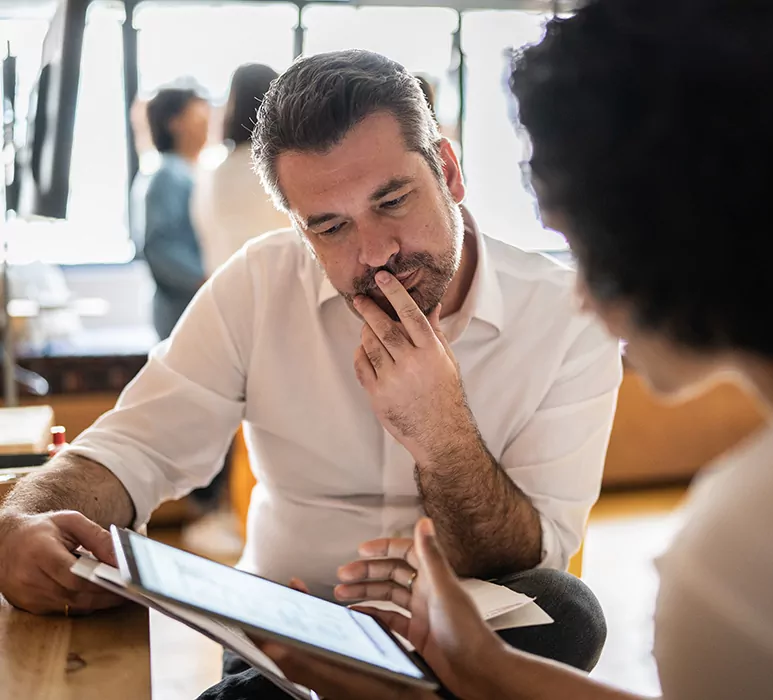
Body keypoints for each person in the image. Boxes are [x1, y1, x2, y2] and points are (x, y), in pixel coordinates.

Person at [0, 49, 621, 698]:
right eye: (330, 226)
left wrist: (441, 434)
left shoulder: (568, 317)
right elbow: (131, 449)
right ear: (299, 226)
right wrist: (22, 521)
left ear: (448, 169)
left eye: (393, 200)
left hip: (463, 637)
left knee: (566, 610)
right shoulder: (259, 284)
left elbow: (532, 560)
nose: (376, 254)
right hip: (288, 635)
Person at [253, 2, 773, 699]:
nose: (584, 299)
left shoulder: (736, 569)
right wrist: (486, 670)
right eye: (329, 225)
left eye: (584, 246)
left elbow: (543, 552)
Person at [191, 64, 290, 275]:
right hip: (279, 282)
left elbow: (205, 234)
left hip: (223, 284)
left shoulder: (211, 169)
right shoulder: (282, 167)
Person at [140, 85, 209, 341]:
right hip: (181, 309)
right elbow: (160, 247)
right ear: (175, 123)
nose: (206, 119)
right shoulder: (168, 176)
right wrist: (205, 279)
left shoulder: (188, 172)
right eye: (197, 112)